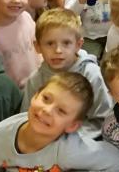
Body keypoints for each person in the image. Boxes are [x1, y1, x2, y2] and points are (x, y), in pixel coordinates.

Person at [0, 72, 119, 171]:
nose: (47, 110)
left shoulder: (70, 150)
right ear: (35, 95)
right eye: (46, 98)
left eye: (61, 111)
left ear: (72, 126)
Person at [22, 8, 113, 140]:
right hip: (45, 137)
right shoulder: (35, 79)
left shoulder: (92, 74)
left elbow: (103, 119)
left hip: (84, 139)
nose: (58, 50)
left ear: (78, 45)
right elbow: (24, 117)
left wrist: (68, 138)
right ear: (38, 47)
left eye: (66, 43)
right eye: (50, 43)